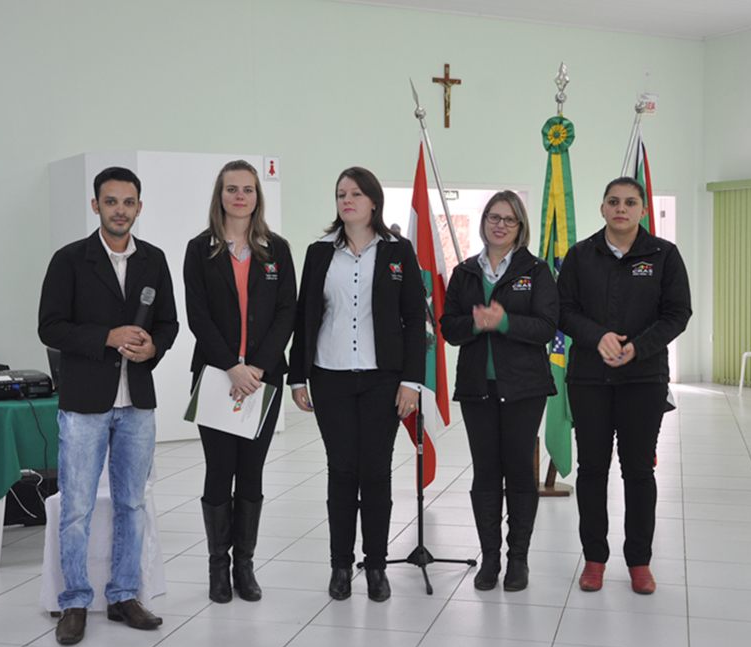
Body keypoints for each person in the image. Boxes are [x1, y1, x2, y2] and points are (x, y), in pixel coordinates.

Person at [39, 166, 178, 644]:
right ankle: (74, 602)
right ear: (95, 206)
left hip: (137, 401)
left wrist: (153, 347)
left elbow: (169, 324)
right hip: (84, 403)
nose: (121, 210)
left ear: (139, 207)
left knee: (131, 503)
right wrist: (107, 337)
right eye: (111, 201)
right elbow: (50, 327)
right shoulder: (70, 260)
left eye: (129, 202)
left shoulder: (155, 260)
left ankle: (123, 595)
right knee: (76, 506)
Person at [289, 167, 426, 603]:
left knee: (376, 473)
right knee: (342, 472)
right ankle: (341, 565)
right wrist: (297, 375)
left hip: (383, 379)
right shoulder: (318, 252)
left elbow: (413, 321)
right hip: (330, 376)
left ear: (373, 201)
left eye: (356, 193)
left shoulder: (398, 251)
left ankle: (377, 565)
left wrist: (411, 381)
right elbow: (305, 315)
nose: (347, 200)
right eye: (340, 194)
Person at [557, 177, 691, 595]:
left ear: (643, 210)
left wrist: (639, 347)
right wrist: (597, 337)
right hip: (589, 380)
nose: (621, 208)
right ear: (602, 209)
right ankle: (594, 559)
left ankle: (639, 562)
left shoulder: (664, 255)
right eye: (613, 202)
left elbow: (678, 313)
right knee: (592, 469)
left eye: (630, 202)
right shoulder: (579, 256)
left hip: (643, 379)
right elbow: (562, 310)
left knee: (637, 471)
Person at [183, 160, 296, 604]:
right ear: (220, 195)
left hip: (264, 381)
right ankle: (218, 568)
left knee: (251, 471)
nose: (240, 197)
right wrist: (231, 365)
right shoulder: (200, 249)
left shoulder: (277, 249)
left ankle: (244, 567)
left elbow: (288, 311)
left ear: (257, 196)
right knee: (218, 470)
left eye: (248, 189)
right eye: (232, 189)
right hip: (215, 376)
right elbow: (198, 315)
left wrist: (258, 368)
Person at [440, 190, 558, 592]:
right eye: (494, 217)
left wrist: (504, 322)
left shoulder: (536, 271)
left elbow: (546, 327)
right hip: (477, 387)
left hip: (524, 387)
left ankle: (518, 560)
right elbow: (449, 328)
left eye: (509, 219)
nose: (500, 225)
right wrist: (476, 324)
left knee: (520, 471)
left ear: (520, 226)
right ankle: (490, 558)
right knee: (486, 472)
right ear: (484, 221)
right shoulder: (466, 272)